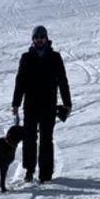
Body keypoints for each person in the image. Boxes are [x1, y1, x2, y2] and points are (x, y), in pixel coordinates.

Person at [11, 25, 71, 184]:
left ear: (46, 38)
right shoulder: (26, 57)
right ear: (33, 40)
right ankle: (29, 170)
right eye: (36, 38)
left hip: (48, 105)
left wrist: (67, 103)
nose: (39, 40)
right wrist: (16, 103)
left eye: (41, 37)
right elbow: (20, 82)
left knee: (46, 139)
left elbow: (63, 82)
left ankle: (45, 173)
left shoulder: (55, 57)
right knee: (29, 139)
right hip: (30, 105)